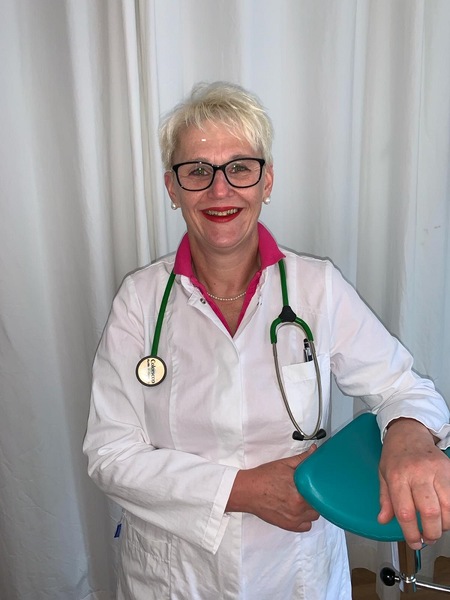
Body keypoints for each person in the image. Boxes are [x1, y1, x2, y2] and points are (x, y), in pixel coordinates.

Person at [83, 81, 450, 599]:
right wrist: (243, 490)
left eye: (239, 168)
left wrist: (408, 434)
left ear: (266, 181)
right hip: (175, 575)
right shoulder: (140, 301)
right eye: (197, 171)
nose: (220, 191)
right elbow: (110, 453)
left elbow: (403, 388)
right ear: (172, 188)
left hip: (295, 569)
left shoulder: (317, 287)